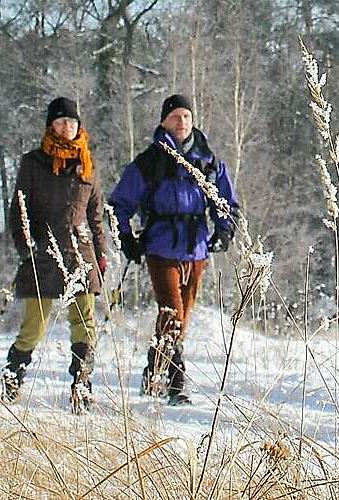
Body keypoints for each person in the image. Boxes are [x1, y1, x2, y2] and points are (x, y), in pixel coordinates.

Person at [109, 94, 240, 405]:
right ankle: (176, 384)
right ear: (163, 122)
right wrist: (126, 238)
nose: (182, 122)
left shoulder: (209, 161)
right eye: (175, 117)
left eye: (186, 117)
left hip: (196, 248)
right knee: (173, 314)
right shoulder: (149, 162)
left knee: (183, 319)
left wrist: (225, 230)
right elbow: (118, 206)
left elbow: (226, 203)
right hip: (160, 245)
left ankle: (153, 369)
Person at [2, 97, 107, 412]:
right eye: (60, 122)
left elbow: (96, 215)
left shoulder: (88, 164)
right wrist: (27, 247)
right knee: (35, 324)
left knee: (85, 322)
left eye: (72, 123)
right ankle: (13, 375)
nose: (66, 128)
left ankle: (81, 385)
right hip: (42, 252)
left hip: (80, 252)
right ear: (51, 126)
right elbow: (18, 211)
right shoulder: (33, 163)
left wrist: (100, 256)